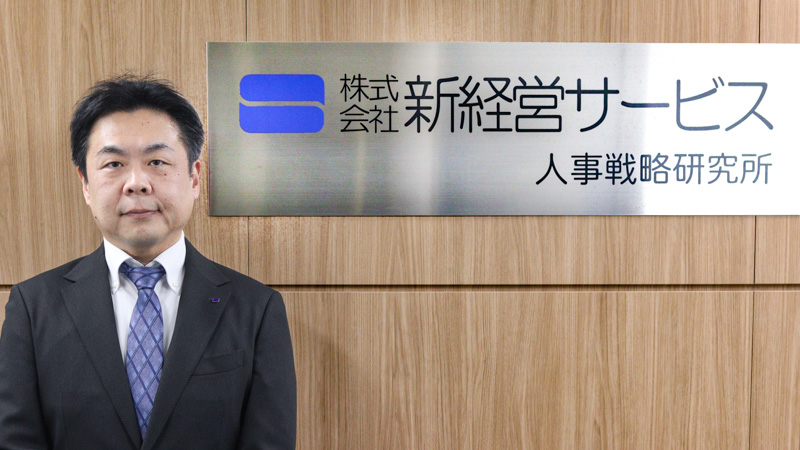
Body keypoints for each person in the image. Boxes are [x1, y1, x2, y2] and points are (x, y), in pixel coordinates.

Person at [0, 75, 296, 449]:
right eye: (114, 163)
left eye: (157, 161)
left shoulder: (256, 309)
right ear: (86, 184)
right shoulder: (33, 308)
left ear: (194, 178)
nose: (137, 183)